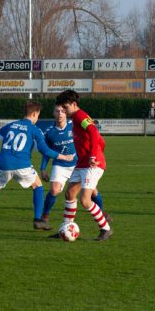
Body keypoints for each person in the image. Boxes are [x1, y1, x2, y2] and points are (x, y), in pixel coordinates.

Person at [0, 101, 74, 233]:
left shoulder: (10, 125)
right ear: (35, 114)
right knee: (38, 186)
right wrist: (63, 157)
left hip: (3, 165)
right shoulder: (35, 129)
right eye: (38, 115)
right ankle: (37, 220)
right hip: (22, 165)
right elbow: (45, 150)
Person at [54, 90, 113, 241]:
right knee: (70, 194)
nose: (63, 111)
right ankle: (66, 227)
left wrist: (94, 155)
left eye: (65, 107)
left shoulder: (80, 115)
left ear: (74, 104)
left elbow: (93, 131)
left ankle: (105, 228)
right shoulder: (75, 119)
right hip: (82, 163)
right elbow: (101, 141)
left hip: (91, 165)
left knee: (85, 200)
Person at [39, 104, 104, 223]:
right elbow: (47, 152)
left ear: (66, 113)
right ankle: (45, 216)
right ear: (53, 113)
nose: (60, 114)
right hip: (60, 164)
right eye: (57, 111)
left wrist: (95, 154)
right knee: (54, 190)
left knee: (93, 191)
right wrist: (43, 168)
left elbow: (92, 133)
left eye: (62, 111)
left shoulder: (74, 125)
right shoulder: (49, 132)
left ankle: (102, 214)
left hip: (78, 164)